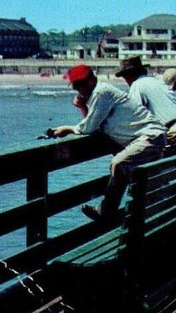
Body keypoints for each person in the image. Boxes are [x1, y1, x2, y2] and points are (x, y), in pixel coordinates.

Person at [50, 64, 167, 221]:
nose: (78, 90)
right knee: (149, 184)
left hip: (150, 136)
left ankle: (106, 211)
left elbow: (88, 127)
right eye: (75, 87)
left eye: (80, 85)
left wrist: (67, 129)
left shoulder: (101, 92)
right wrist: (83, 108)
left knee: (119, 163)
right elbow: (96, 125)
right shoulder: (98, 94)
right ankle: (143, 219)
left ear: (91, 81)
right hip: (151, 137)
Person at [116, 56, 176, 155]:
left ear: (128, 76)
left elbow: (134, 116)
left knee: (153, 158)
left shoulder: (136, 86)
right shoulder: (157, 81)